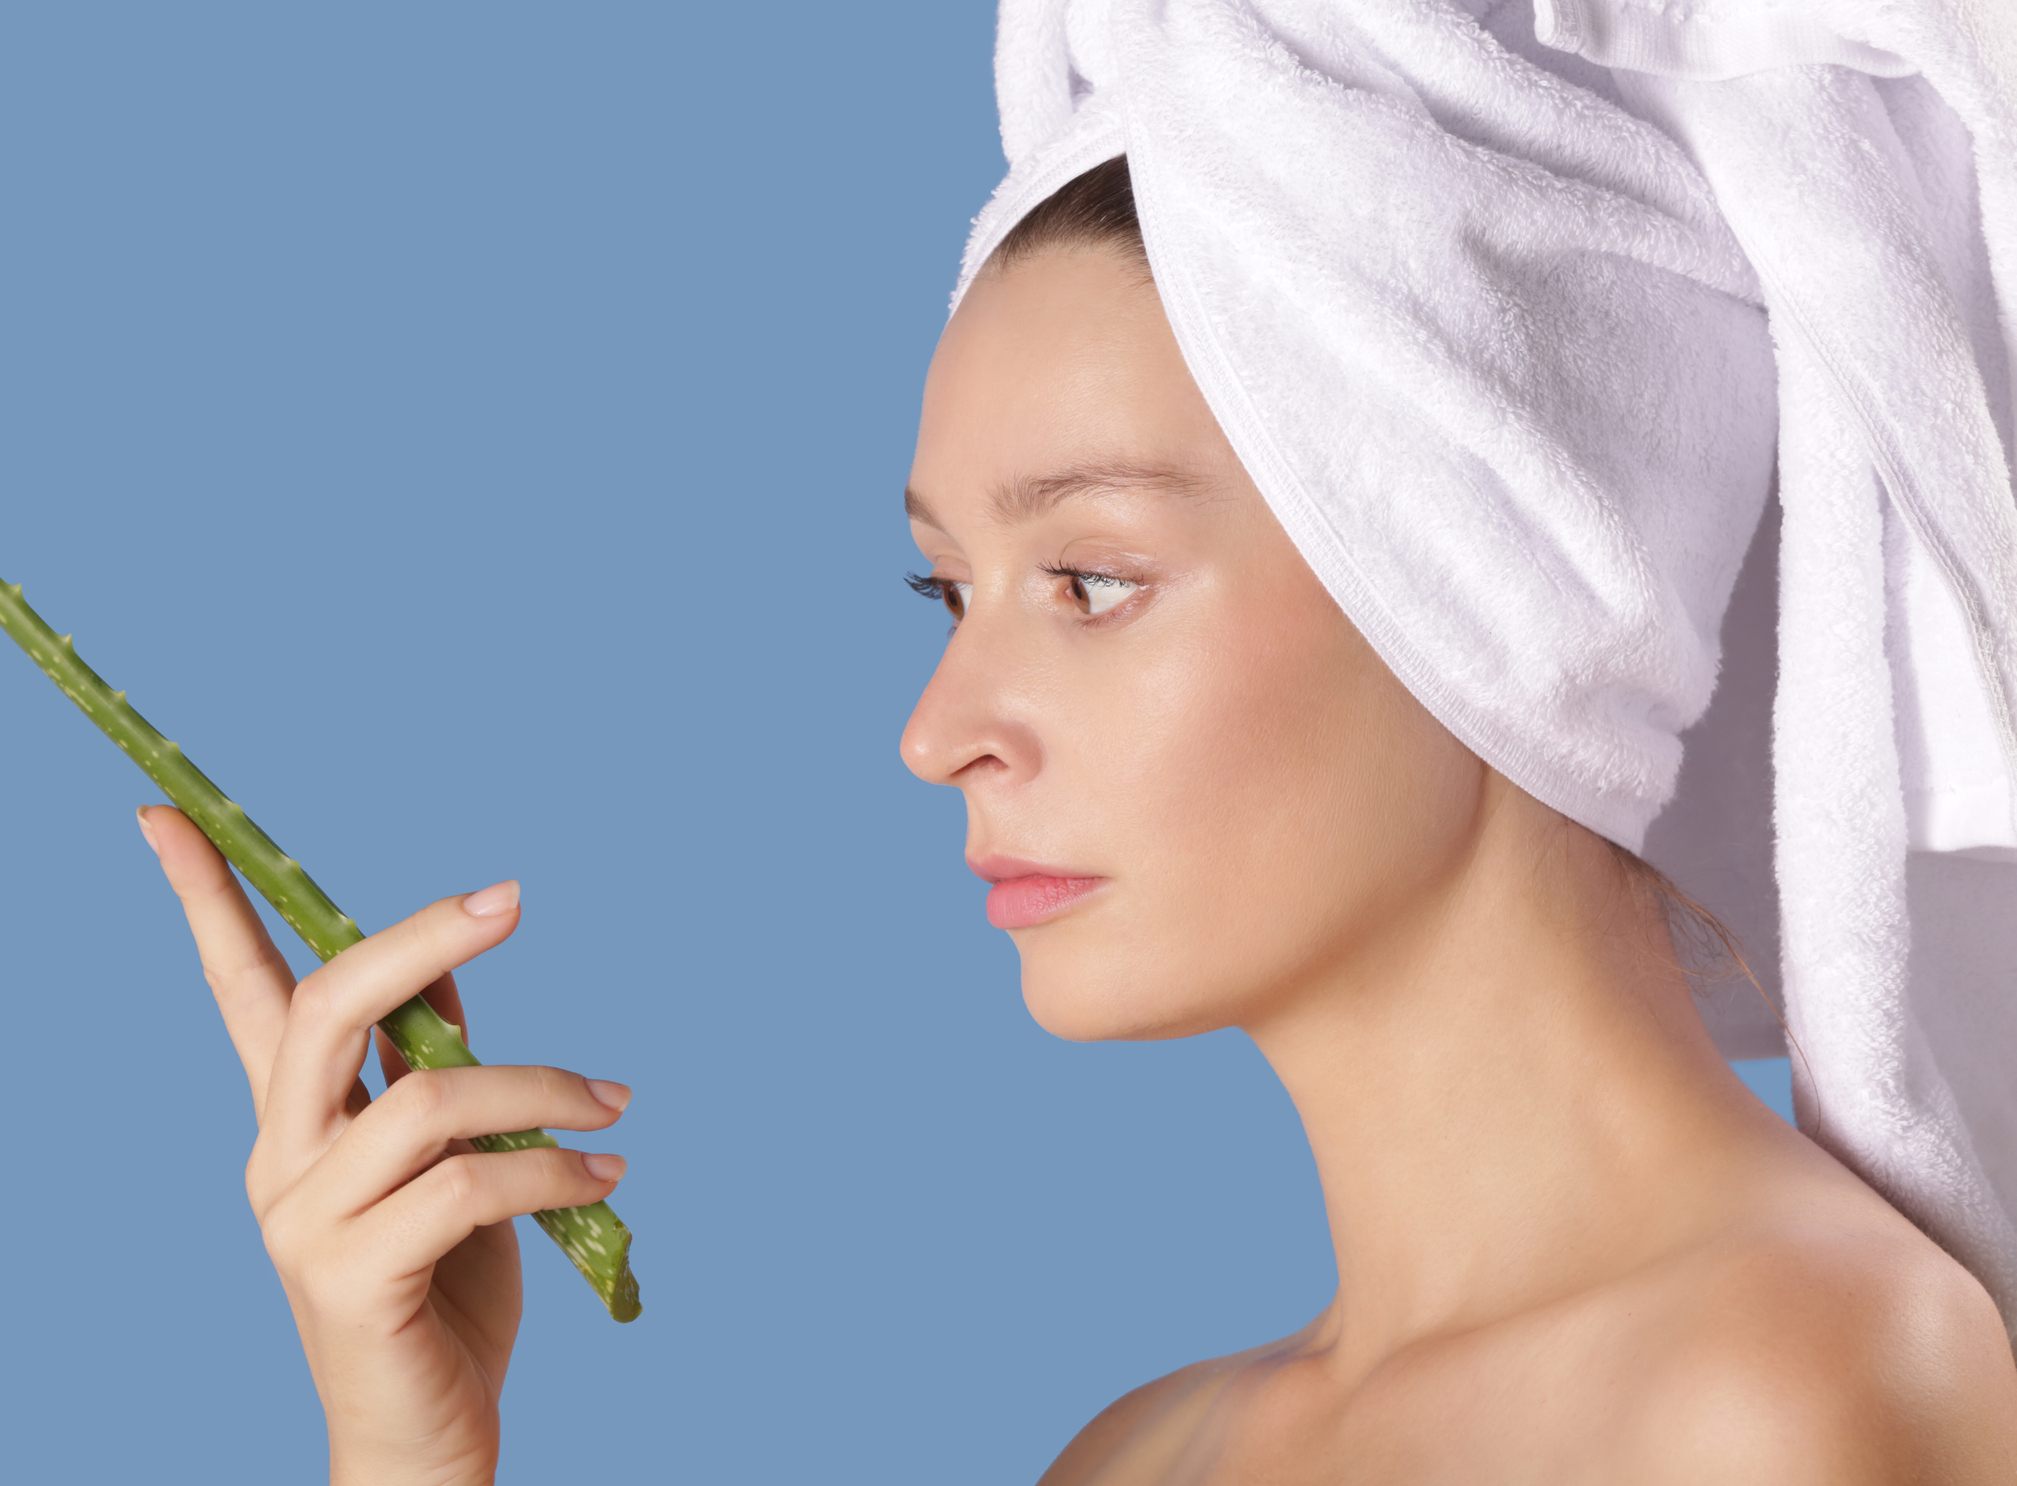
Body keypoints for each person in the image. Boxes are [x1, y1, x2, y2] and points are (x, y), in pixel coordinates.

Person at [140, 1, 2017, 1480]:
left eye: (1092, 579)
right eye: (942, 593)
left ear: (1494, 589)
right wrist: (408, 1454)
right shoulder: (1138, 1455)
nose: (937, 730)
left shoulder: (1782, 1400)